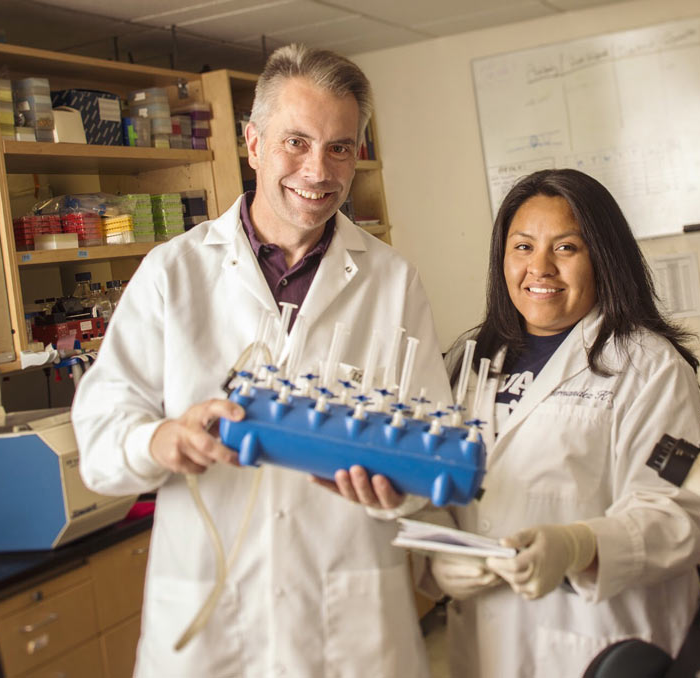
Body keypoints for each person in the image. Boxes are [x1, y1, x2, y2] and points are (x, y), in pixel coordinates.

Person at [72, 44, 450, 678]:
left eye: (340, 147)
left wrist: (396, 492)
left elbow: (431, 451)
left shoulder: (392, 281)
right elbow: (101, 443)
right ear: (253, 144)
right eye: (295, 142)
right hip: (212, 620)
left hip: (349, 626)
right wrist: (162, 439)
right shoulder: (174, 273)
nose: (317, 168)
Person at [428, 169, 700, 677]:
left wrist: (579, 546)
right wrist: (438, 556)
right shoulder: (465, 361)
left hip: (600, 640)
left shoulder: (650, 367)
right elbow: (435, 484)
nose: (539, 267)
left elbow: (680, 517)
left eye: (565, 248)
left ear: (602, 258)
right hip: (485, 641)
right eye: (522, 246)